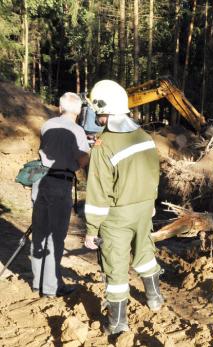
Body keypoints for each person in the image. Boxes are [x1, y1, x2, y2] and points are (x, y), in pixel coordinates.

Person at [83, 80, 163, 335]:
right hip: (144, 209)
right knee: (144, 252)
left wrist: (91, 229)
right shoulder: (145, 136)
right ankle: (154, 298)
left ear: (102, 111)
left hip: (117, 217)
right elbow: (154, 174)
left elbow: (97, 192)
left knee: (115, 266)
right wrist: (150, 205)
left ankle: (118, 323)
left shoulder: (103, 145)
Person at [30, 92, 90, 297]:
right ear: (79, 110)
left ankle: (37, 283)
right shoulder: (77, 130)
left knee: (39, 234)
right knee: (55, 238)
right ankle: (50, 288)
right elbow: (82, 158)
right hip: (59, 184)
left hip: (40, 181)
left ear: (60, 107)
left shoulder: (47, 125)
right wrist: (82, 158)